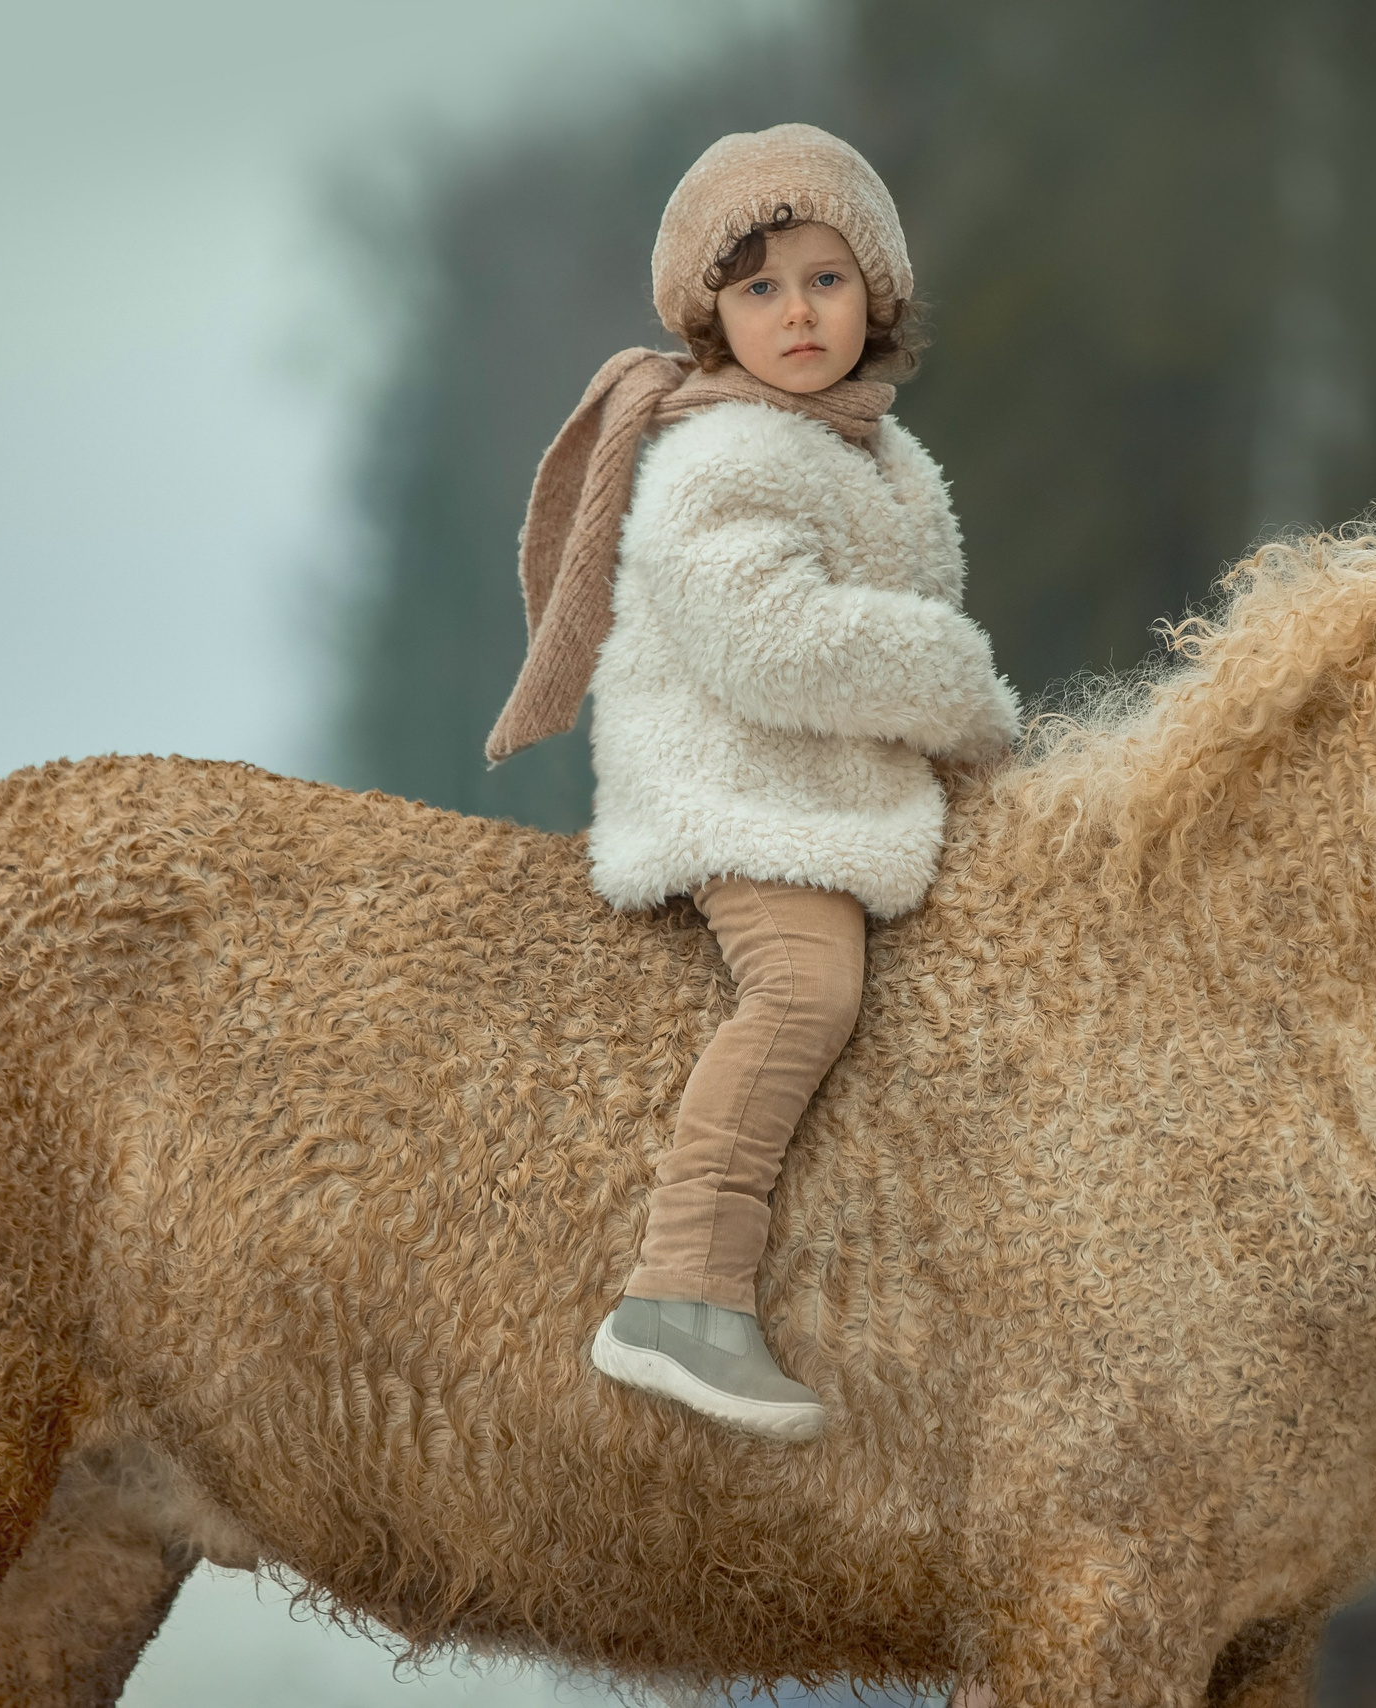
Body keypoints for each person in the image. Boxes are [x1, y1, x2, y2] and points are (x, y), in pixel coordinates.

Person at [486, 124, 1018, 1441]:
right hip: (741, 797)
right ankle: (682, 1294)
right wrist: (960, 689)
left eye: (826, 281)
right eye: (761, 288)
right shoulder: (719, 460)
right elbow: (777, 645)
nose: (797, 314)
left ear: (876, 294)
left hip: (838, 789)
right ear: (713, 315)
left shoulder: (878, 458)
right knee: (809, 989)